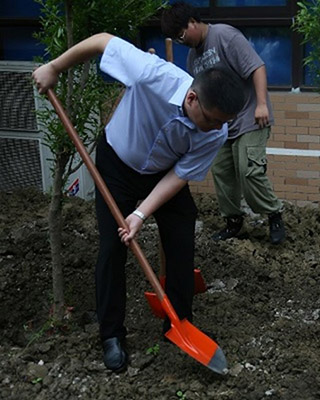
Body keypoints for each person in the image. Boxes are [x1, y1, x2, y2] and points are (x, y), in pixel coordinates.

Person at [32, 32, 245, 372]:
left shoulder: (215, 131)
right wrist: (55, 67)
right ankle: (112, 335)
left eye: (223, 123)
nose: (216, 129)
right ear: (191, 98)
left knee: (181, 232)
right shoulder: (152, 73)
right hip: (117, 162)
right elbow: (102, 40)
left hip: (162, 173)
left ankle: (178, 321)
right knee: (112, 247)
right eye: (212, 119)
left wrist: (142, 213)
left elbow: (179, 176)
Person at [161, 2, 286, 245]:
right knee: (222, 172)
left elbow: (257, 67)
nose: (181, 41)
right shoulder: (192, 58)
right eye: (175, 39)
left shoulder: (224, 36)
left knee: (248, 170)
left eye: (181, 34)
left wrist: (261, 104)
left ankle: (274, 215)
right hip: (220, 126)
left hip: (250, 116)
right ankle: (233, 222)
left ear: (193, 21)